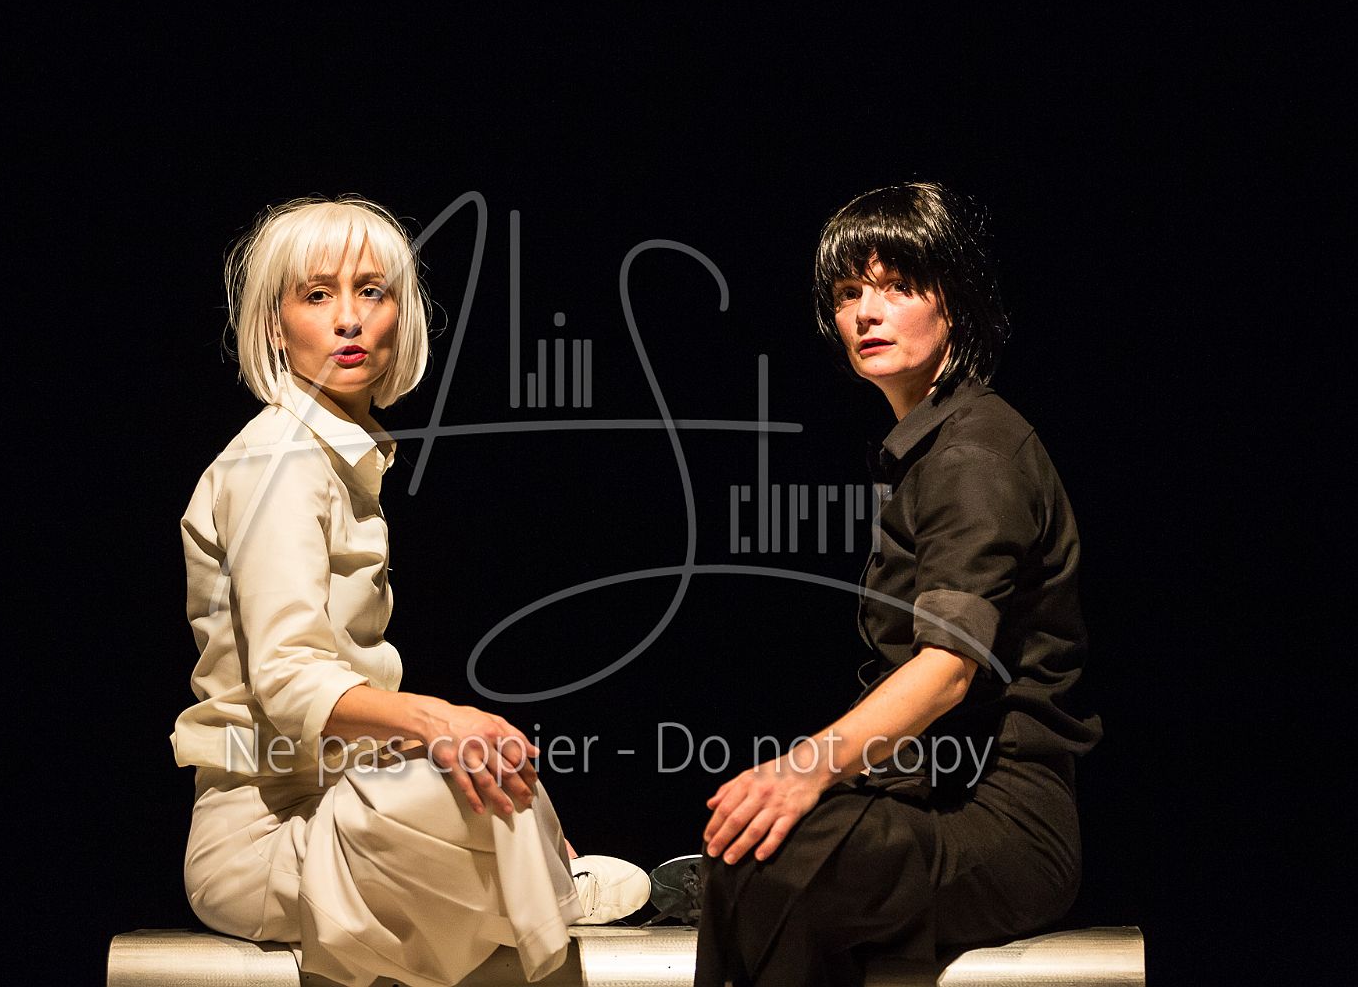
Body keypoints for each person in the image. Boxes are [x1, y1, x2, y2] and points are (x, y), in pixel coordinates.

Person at [170, 196, 648, 987]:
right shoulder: (278, 463)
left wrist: (480, 780)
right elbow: (288, 680)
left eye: (372, 291)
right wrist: (441, 723)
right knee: (451, 763)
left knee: (484, 769)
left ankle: (528, 878)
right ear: (276, 324)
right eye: (316, 295)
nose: (349, 318)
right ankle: (539, 890)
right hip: (265, 841)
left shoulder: (333, 457)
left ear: (403, 314)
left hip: (342, 800)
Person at [690, 182, 1103, 986]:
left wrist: (805, 768)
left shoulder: (974, 454)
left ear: (956, 303)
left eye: (898, 286)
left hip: (1004, 822)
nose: (867, 314)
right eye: (849, 293)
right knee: (747, 850)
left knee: (774, 861)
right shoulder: (932, 447)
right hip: (930, 799)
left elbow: (948, 669)